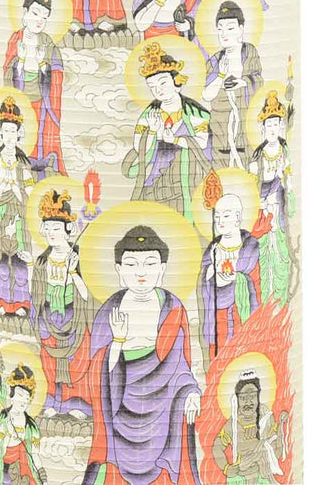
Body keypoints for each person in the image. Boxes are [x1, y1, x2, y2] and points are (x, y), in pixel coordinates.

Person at [83, 226, 202, 485]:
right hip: (120, 408)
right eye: (131, 264)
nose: (141, 272)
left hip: (163, 411)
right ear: (119, 270)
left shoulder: (172, 310)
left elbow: (179, 365)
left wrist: (191, 392)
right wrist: (118, 341)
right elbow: (97, 373)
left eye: (149, 263)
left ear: (162, 269)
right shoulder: (109, 311)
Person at [122, 42, 212, 221]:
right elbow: (139, 146)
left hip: (186, 182)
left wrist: (176, 140)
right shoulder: (149, 114)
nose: (158, 90)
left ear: (176, 82)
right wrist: (153, 133)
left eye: (163, 83)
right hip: (156, 181)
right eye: (152, 86)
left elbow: (202, 142)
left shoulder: (195, 112)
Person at [28, 190, 95, 419]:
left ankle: (75, 402)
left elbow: (88, 296)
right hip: (48, 320)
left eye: (56, 228)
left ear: (69, 229)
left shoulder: (80, 258)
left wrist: (74, 273)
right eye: (47, 229)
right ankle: (53, 402)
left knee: (78, 362)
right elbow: (36, 296)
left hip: (74, 320)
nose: (51, 234)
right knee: (50, 363)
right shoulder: (41, 262)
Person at [3, 0, 66, 179]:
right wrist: (21, 61)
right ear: (25, 12)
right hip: (21, 102)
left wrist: (42, 65)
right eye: (36, 13)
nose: (40, 20)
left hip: (42, 102)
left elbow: (57, 74)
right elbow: (7, 72)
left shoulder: (48, 44)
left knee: (40, 137)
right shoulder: (15, 40)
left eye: (45, 17)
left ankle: (42, 172)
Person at [0, 98, 35, 317]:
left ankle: (21, 303)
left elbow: (30, 189)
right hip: (1, 211)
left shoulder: (22, 162)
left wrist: (19, 191)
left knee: (19, 261)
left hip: (19, 212)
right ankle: (0, 301)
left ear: (19, 133)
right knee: (1, 262)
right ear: (0, 132)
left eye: (12, 131)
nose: (8, 135)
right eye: (5, 130)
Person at [202, 1, 263, 169]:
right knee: (221, 167)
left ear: (240, 29)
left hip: (245, 122)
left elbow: (258, 81)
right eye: (220, 28)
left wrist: (242, 83)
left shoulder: (249, 52)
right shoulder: (215, 60)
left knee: (249, 165)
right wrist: (221, 76)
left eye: (230, 28)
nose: (224, 34)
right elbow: (206, 95)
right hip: (221, 126)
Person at [200, 194, 261, 362]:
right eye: (217, 216)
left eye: (226, 216)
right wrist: (213, 276)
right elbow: (205, 285)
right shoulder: (212, 251)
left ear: (238, 217)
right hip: (217, 316)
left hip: (240, 314)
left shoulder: (251, 249)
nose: (220, 221)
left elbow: (257, 286)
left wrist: (238, 279)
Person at [249, 92, 295, 306]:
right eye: (269, 125)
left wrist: (286, 183)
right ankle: (265, 301)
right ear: (263, 128)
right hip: (263, 208)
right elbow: (252, 185)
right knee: (264, 254)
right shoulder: (258, 156)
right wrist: (260, 202)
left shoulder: (285, 152)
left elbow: (290, 183)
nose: (272, 129)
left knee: (281, 254)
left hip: (279, 207)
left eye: (276, 124)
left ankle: (281, 297)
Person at [212, 370, 288, 484]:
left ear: (258, 397)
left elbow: (275, 446)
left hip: (263, 473)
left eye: (252, 396)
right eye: (243, 398)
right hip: (241, 474)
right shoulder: (234, 423)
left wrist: (281, 424)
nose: (248, 402)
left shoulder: (266, 417)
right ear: (237, 399)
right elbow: (217, 447)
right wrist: (226, 468)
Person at [0, 363, 48, 484]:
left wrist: (43, 478)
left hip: (25, 473)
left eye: (27, 397)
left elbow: (34, 455)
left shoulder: (31, 427)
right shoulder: (3, 419)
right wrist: (8, 434)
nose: (23, 401)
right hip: (6, 471)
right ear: (11, 395)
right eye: (20, 395)